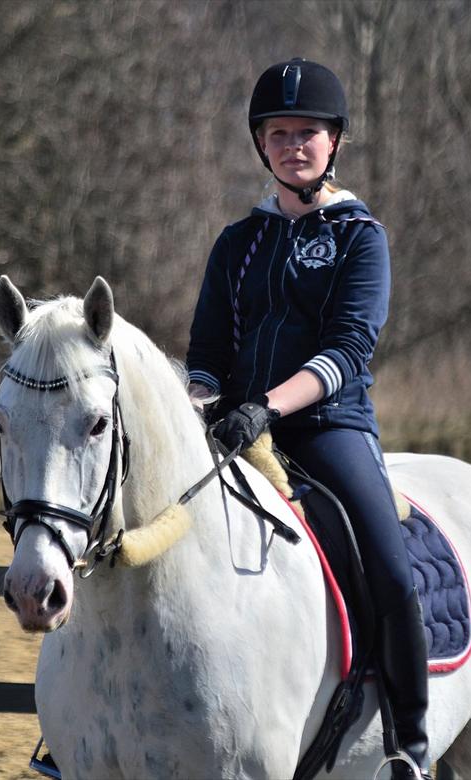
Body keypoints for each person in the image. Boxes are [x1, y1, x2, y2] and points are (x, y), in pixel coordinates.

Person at [186, 58, 430, 780]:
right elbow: (205, 355)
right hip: (232, 428)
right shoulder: (237, 242)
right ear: (262, 143)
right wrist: (197, 408)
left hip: (329, 429)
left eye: (309, 133)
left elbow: (349, 350)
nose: (295, 144)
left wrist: (268, 405)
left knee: (390, 565)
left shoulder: (361, 235)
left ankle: (409, 744)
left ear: (336, 143)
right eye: (280, 132)